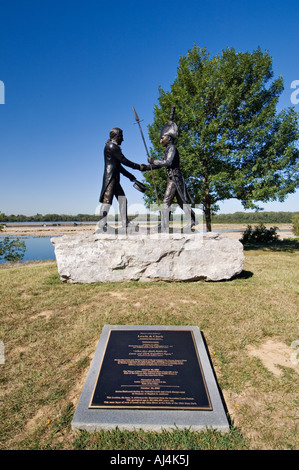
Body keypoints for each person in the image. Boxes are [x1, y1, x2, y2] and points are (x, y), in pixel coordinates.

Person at [147, 120, 197, 231]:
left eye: (162, 138)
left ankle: (164, 224)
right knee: (182, 202)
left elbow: (168, 162)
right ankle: (193, 219)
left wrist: (153, 160)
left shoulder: (172, 149)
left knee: (166, 201)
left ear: (169, 138)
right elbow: (162, 164)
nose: (160, 141)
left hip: (174, 178)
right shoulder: (167, 150)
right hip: (172, 178)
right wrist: (146, 167)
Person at [96, 127, 147, 231]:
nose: (122, 139)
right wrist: (139, 167)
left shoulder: (113, 147)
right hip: (110, 179)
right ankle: (102, 224)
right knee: (107, 201)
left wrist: (130, 176)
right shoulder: (111, 146)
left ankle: (125, 223)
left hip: (114, 179)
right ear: (117, 136)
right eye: (121, 136)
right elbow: (124, 161)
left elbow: (118, 166)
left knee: (123, 200)